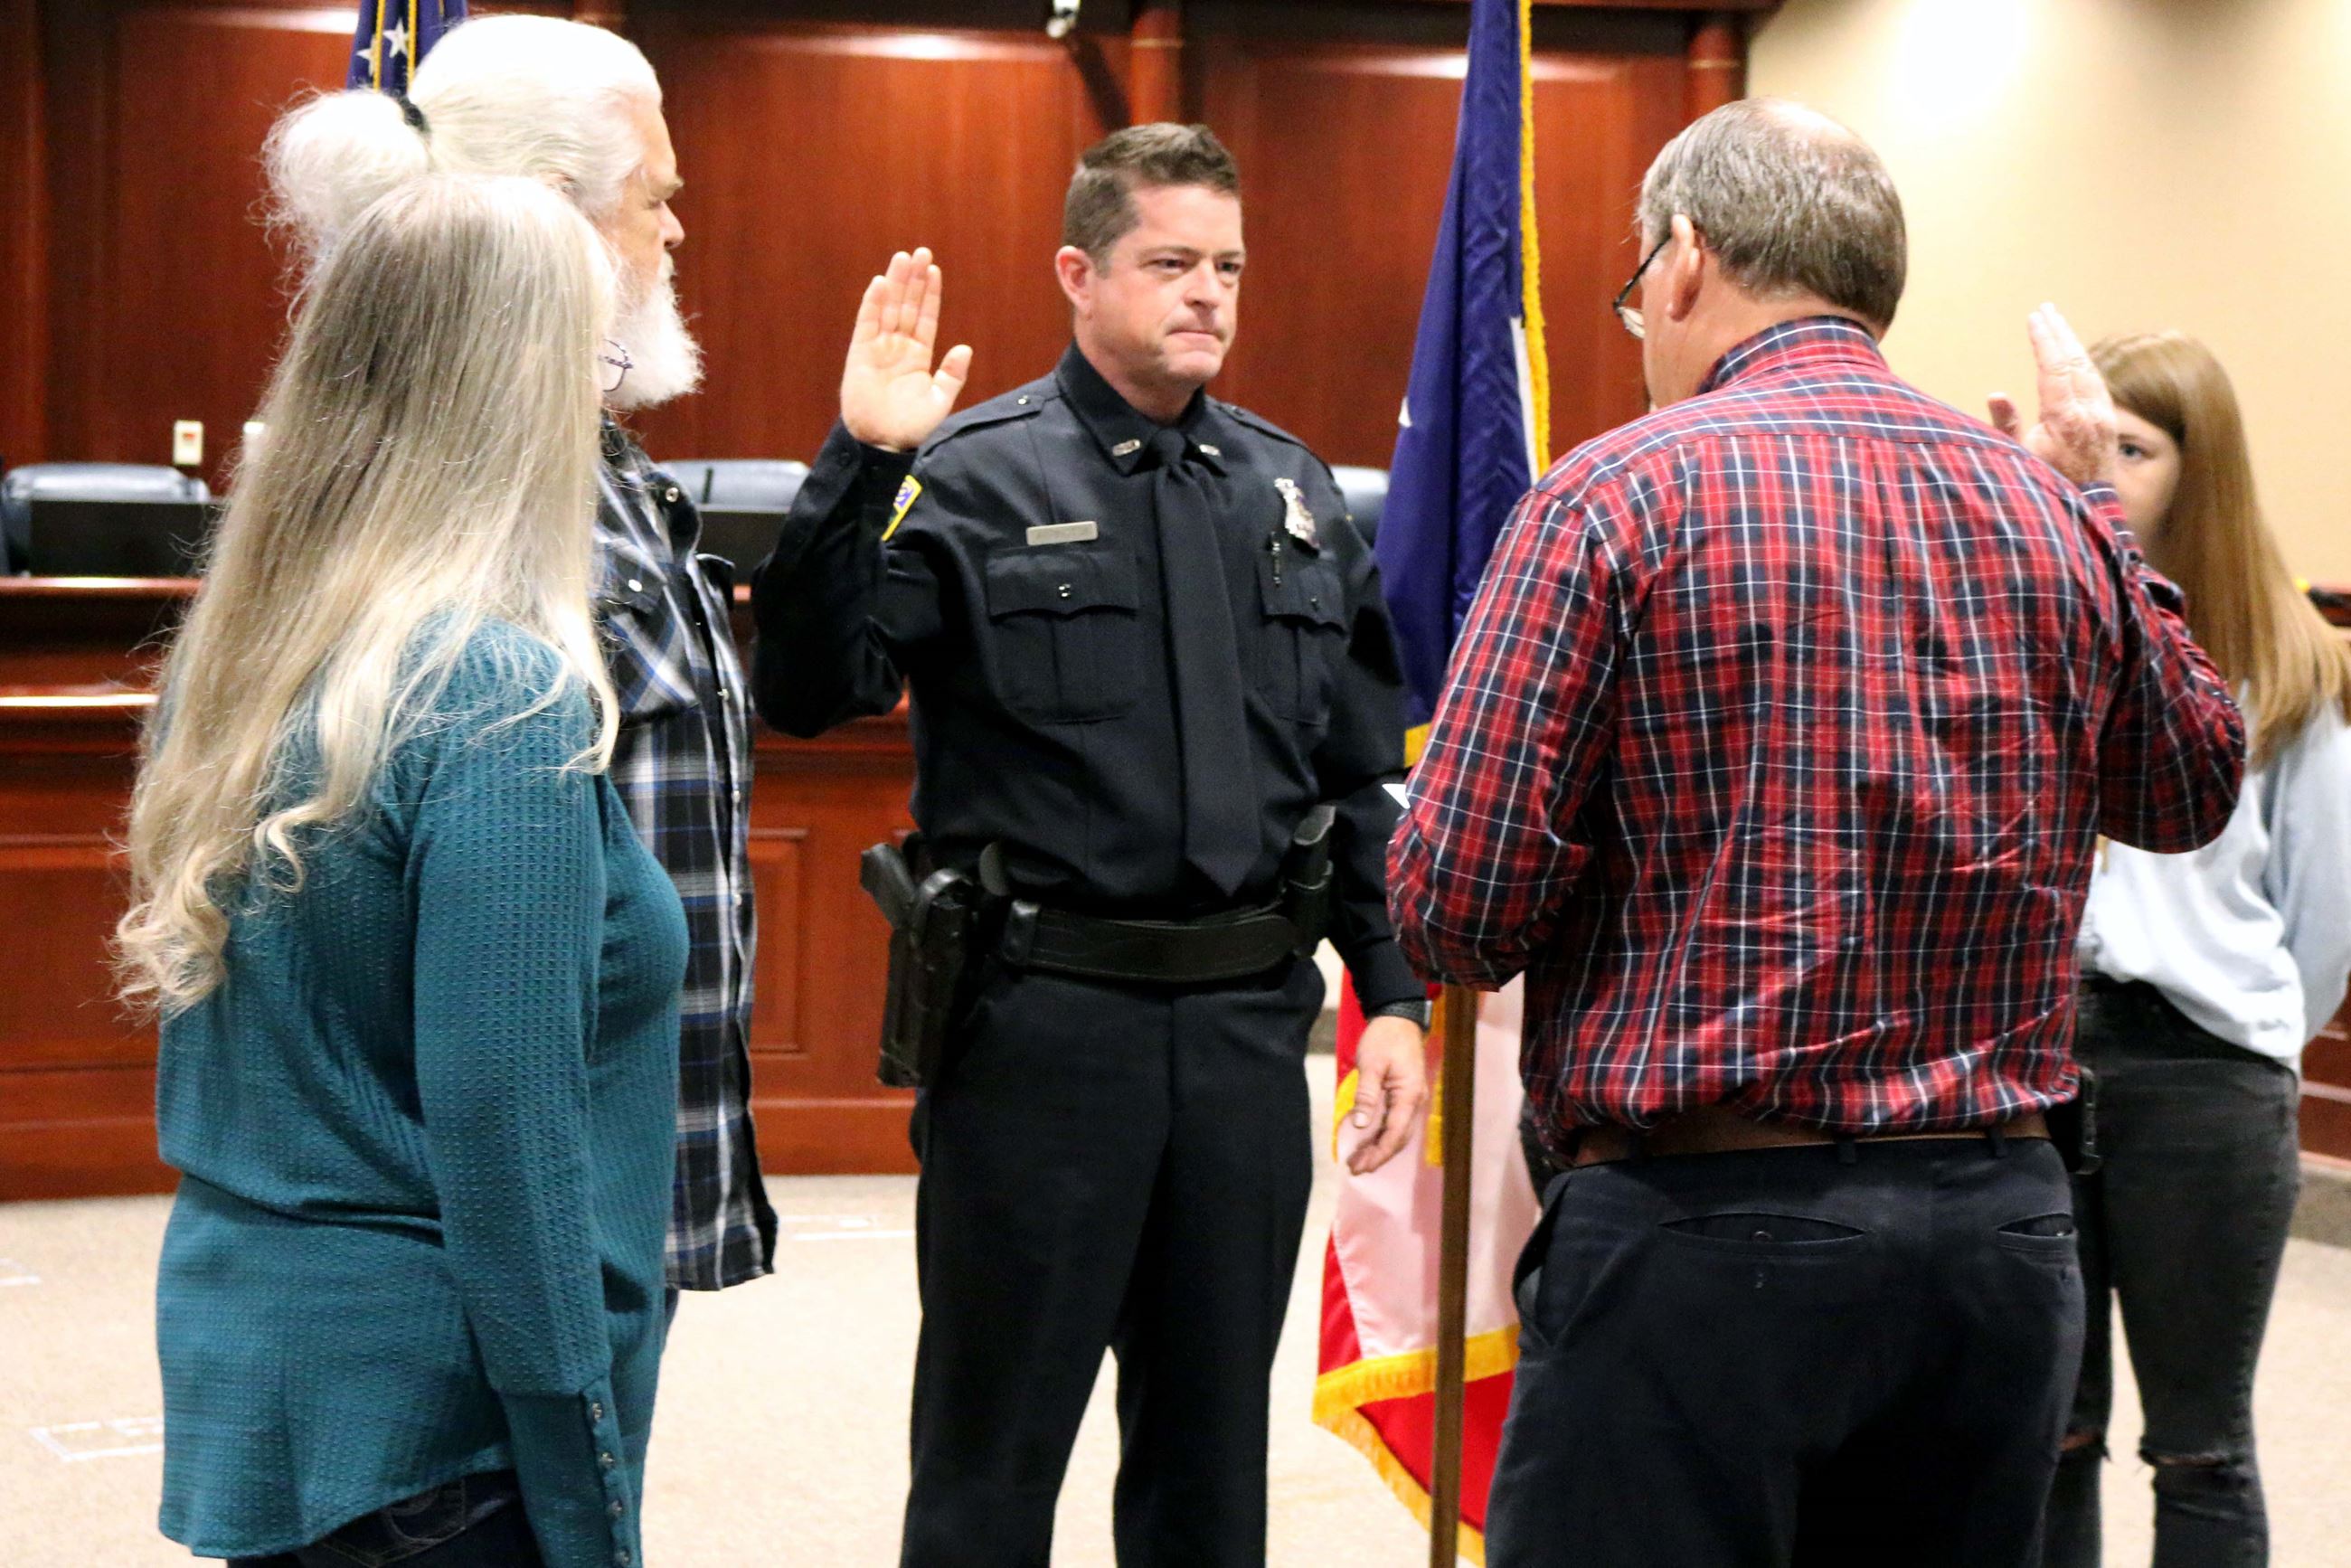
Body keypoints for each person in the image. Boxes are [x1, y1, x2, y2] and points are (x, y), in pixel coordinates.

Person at [1389, 99, 2248, 1568]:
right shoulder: (2051, 515)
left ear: (1681, 264)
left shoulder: (1613, 494)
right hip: (2000, 1239)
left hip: (1700, 1229)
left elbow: (1457, 909)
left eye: (1632, 294)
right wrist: (2098, 508)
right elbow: (2188, 794)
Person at [751, 124, 1431, 1566]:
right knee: (993, 1461)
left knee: (1208, 1470)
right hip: (1044, 1035)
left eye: (1228, 266)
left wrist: (1397, 997)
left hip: (1249, 1038)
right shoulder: (975, 474)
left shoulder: (1292, 491)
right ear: (1079, 271)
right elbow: (811, 688)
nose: (1208, 294)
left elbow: (1356, 776)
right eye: (1170, 262)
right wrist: (863, 458)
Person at [118, 174, 679, 1568]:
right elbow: (510, 1154)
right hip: (445, 1430)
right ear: (520, 391)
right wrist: (586, 1500)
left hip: (266, 1364)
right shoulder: (500, 696)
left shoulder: (246, 650)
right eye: (594, 364)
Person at [265, 14, 776, 1303]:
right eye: (654, 197)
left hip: (618, 1156)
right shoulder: (463, 496)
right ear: (556, 216)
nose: (676, 231)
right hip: (530, 1210)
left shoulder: (593, 457)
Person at [2039, 331, 2351, 1568]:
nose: (2102, 466)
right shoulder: (2047, 618)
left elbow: (2320, 925)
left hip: (2207, 1080)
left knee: (2202, 1446)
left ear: (2198, 466)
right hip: (2046, 1067)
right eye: (2091, 438)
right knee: (2047, 1428)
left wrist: (2237, 1021)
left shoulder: (2291, 663)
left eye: (2134, 446)